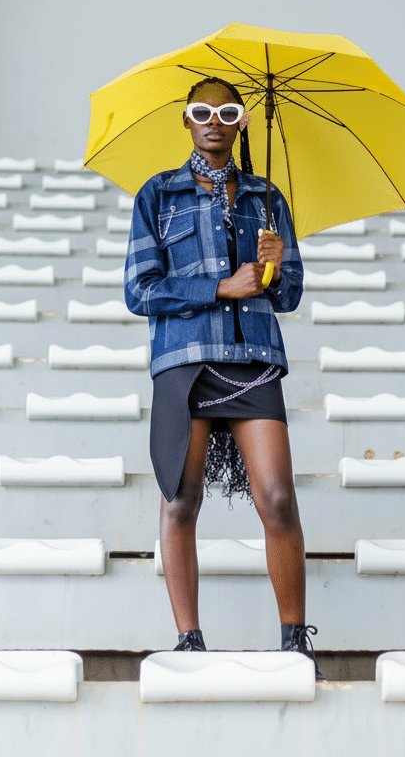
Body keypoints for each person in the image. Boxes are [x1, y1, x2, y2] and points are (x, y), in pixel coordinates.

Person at [124, 77, 320, 679]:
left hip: (252, 358)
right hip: (185, 362)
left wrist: (276, 268)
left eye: (227, 112)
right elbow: (139, 290)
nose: (214, 120)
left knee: (278, 498)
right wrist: (220, 286)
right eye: (201, 111)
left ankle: (295, 642)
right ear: (186, 120)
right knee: (181, 499)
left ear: (241, 122)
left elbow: (288, 296)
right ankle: (189, 641)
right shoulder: (158, 194)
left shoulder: (267, 198)